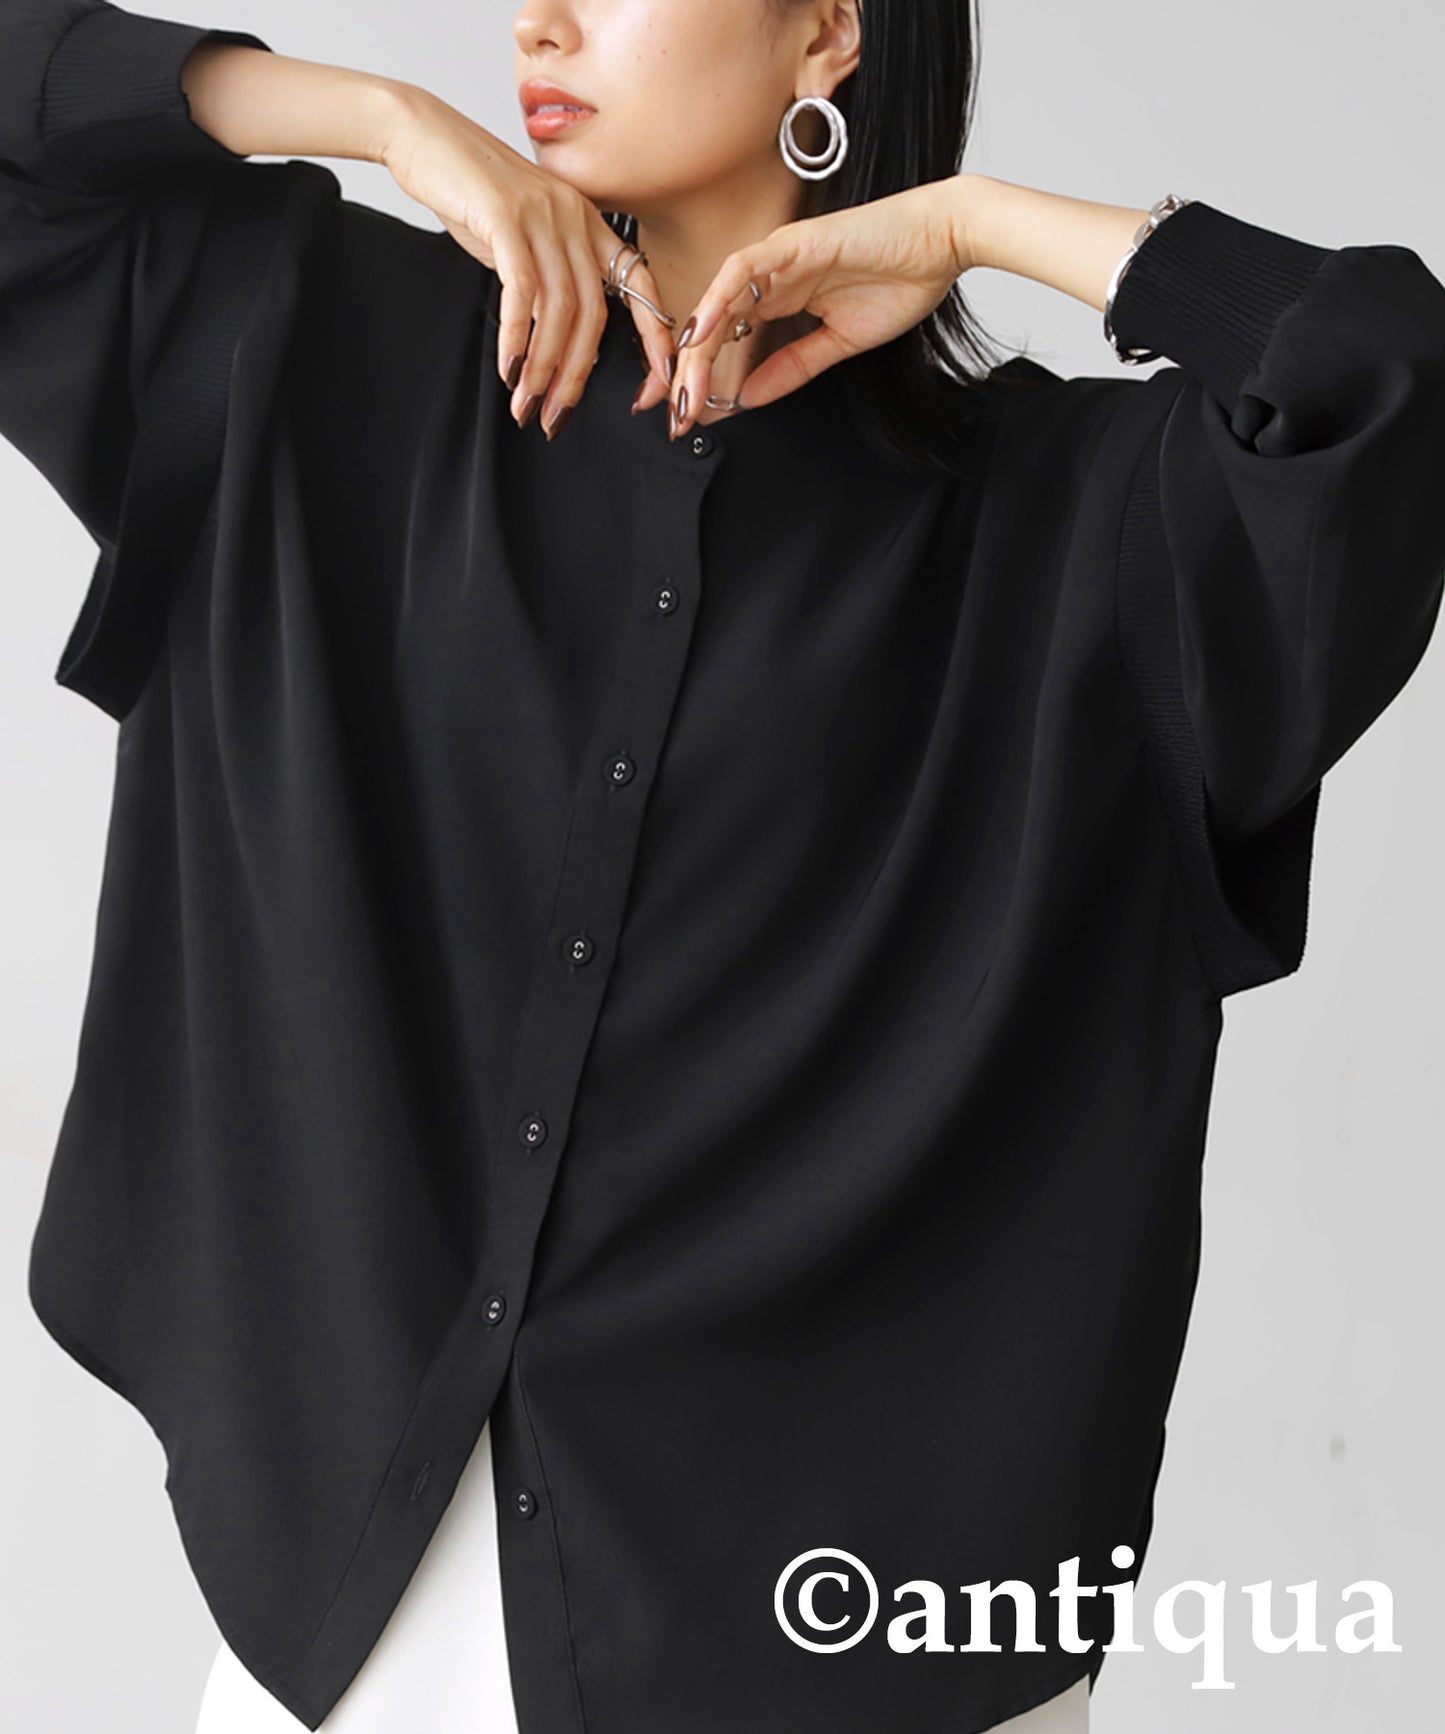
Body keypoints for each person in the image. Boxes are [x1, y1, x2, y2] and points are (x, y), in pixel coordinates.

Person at [5, 3, 1442, 1732]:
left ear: (825, 31)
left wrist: (974, 221)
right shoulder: (315, 341)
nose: (538, 18)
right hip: (359, 1629)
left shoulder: (1075, 527)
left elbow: (1388, 391)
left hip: (838, 1649)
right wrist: (375, 116)